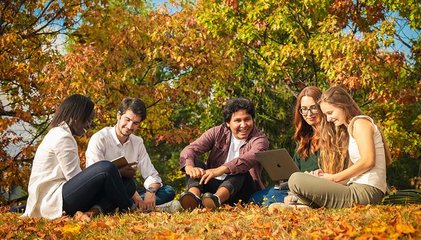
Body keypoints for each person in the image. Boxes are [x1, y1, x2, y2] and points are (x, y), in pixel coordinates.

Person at [23, 94, 136, 219]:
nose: (89, 125)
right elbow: (74, 178)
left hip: (63, 195)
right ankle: (129, 207)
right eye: (87, 120)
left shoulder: (59, 133)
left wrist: (116, 175)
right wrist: (114, 172)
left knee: (128, 184)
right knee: (106, 167)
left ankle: (93, 212)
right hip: (53, 200)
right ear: (74, 117)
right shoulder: (62, 137)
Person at [287, 86, 391, 208]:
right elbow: (350, 176)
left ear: (342, 106)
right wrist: (322, 179)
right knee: (301, 180)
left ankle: (302, 206)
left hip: (366, 192)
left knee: (295, 179)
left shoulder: (360, 123)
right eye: (325, 115)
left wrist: (334, 178)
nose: (329, 119)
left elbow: (368, 161)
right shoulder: (352, 128)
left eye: (330, 113)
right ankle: (302, 206)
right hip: (355, 188)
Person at [86, 97, 178, 213]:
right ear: (118, 116)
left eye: (135, 123)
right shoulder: (100, 139)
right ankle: (133, 206)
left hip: (128, 193)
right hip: (105, 193)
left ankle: (135, 207)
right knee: (126, 188)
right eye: (127, 119)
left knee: (168, 190)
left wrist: (151, 191)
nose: (130, 126)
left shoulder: (137, 142)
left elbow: (151, 174)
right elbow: (95, 179)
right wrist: (134, 194)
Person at [179, 98, 269, 210]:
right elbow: (190, 149)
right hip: (212, 188)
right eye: (237, 121)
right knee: (195, 163)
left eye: (247, 119)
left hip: (241, 190)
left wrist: (220, 169)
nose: (243, 125)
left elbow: (250, 157)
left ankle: (216, 200)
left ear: (252, 119)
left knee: (240, 169)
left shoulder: (260, 139)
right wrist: (189, 167)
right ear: (228, 123)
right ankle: (193, 198)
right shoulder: (217, 132)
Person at [249, 86, 322, 206]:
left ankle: (293, 203)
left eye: (313, 108)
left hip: (316, 187)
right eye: (304, 109)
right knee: (255, 197)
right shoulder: (303, 138)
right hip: (294, 187)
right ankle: (289, 201)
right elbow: (293, 171)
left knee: (267, 200)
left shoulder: (331, 137)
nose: (308, 114)